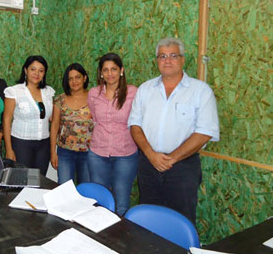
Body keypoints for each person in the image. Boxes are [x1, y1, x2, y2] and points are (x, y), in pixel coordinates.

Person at [128, 37, 219, 224]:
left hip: (183, 167)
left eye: (173, 56)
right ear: (157, 61)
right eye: (162, 56)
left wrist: (173, 158)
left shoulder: (200, 91)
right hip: (148, 164)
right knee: (149, 218)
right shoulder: (145, 89)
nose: (167, 60)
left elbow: (204, 132)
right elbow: (135, 125)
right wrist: (151, 154)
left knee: (181, 219)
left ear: (183, 59)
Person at [87, 53, 138, 216]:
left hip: (125, 154)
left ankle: (118, 240)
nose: (110, 74)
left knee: (121, 203)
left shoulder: (133, 93)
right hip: (97, 153)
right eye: (106, 70)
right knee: (99, 202)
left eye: (114, 69)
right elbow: (95, 118)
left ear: (121, 70)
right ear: (101, 73)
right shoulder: (94, 93)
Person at [3, 55, 55, 175]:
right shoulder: (14, 92)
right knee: (22, 180)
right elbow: (6, 120)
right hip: (21, 143)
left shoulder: (48, 92)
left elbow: (51, 118)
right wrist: (9, 149)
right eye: (33, 69)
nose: (37, 73)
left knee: (39, 179)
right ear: (25, 70)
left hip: (43, 144)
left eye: (41, 70)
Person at [50, 63, 93, 184]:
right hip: (65, 152)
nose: (74, 81)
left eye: (78, 77)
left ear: (84, 78)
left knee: (85, 191)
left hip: (88, 152)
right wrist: (52, 152)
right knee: (64, 189)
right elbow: (54, 126)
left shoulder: (94, 98)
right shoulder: (60, 99)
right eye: (70, 78)